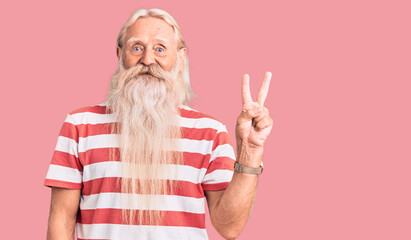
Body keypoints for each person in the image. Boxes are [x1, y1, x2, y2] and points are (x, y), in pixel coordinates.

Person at [44, 8, 273, 240]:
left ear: (181, 58)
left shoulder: (210, 132)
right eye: (136, 48)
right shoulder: (80, 125)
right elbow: (61, 222)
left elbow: (228, 227)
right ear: (119, 53)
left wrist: (250, 152)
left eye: (160, 49)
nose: (147, 59)